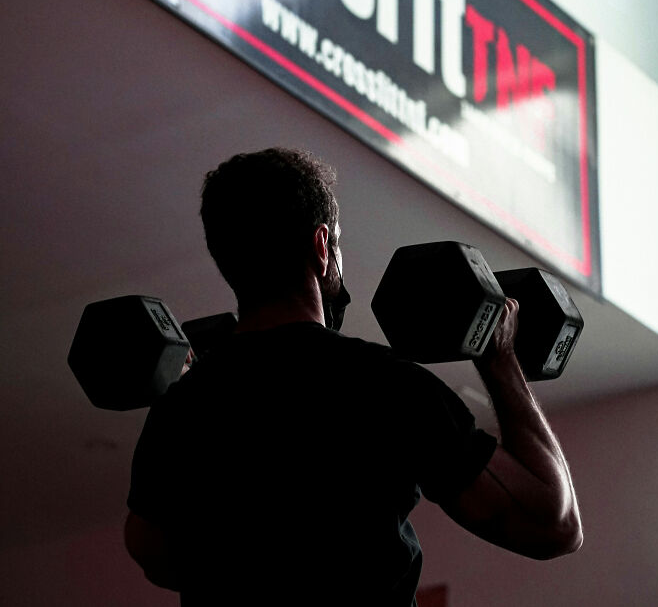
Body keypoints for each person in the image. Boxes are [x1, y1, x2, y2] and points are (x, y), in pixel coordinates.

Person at [124, 147, 582, 606]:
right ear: (322, 247)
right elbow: (554, 525)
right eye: (338, 242)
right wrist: (499, 358)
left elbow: (150, 552)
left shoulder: (180, 407)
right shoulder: (388, 386)